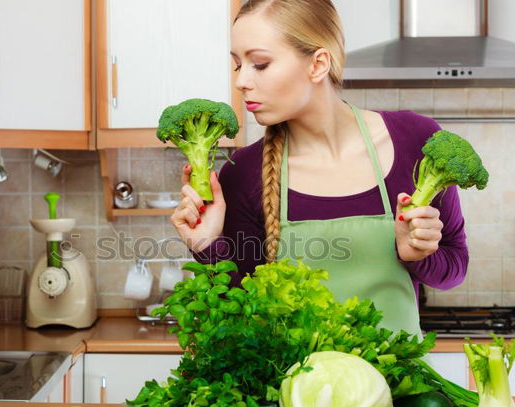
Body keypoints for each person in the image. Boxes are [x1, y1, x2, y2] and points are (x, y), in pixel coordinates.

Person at [169, 0, 468, 338]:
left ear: (318, 64)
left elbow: (455, 269)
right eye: (238, 65)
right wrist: (208, 246)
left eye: (260, 64)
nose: (241, 81)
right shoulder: (242, 173)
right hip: (293, 388)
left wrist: (417, 255)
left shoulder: (418, 141)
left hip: (399, 388)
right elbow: (240, 318)